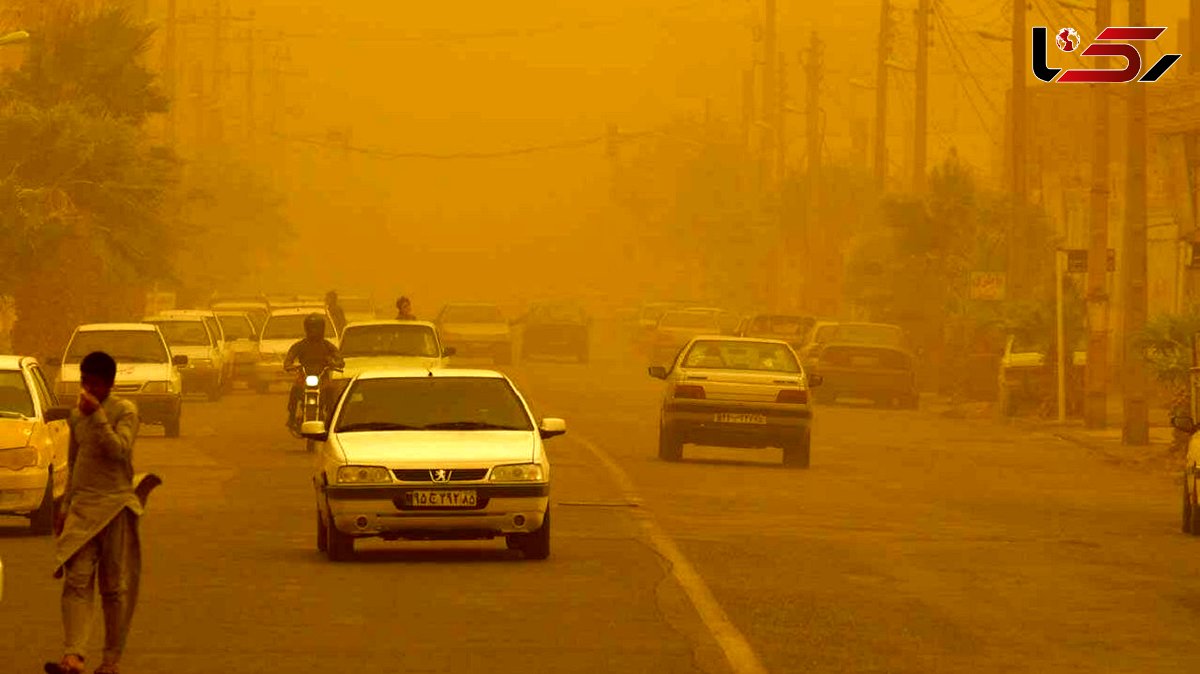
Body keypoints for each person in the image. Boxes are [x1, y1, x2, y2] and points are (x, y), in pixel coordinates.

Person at [47, 351, 161, 674]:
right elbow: (75, 463)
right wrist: (65, 507)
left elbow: (119, 451)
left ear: (109, 384)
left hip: (115, 508)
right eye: (84, 381)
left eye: (94, 383)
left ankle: (111, 660)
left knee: (113, 588)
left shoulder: (125, 411)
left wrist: (97, 415)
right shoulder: (76, 417)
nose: (87, 389)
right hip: (83, 510)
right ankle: (73, 656)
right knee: (77, 581)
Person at [283, 313, 344, 430]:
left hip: (323, 378)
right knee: (295, 391)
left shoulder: (327, 346)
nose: (314, 330)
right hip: (304, 377)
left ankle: (332, 420)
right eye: (311, 327)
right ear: (306, 328)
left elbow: (339, 358)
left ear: (322, 328)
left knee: (332, 394)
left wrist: (335, 363)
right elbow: (289, 358)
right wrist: (289, 365)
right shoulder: (300, 345)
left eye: (316, 327)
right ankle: (291, 417)